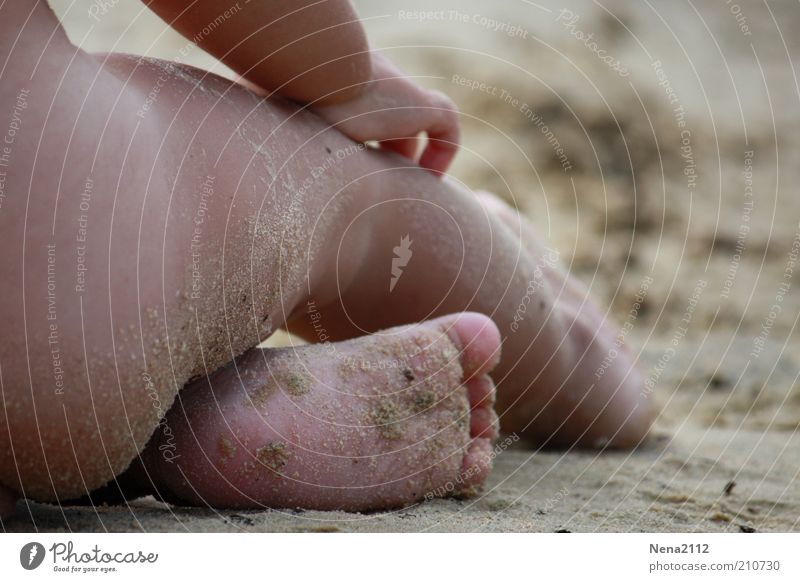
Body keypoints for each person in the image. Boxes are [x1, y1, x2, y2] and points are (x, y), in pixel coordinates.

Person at [0, 0, 652, 515]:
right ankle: (582, 372)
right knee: (362, 196)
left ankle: (152, 442)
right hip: (64, 259)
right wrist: (345, 77)